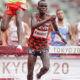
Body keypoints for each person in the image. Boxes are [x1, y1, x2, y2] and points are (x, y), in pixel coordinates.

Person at [27, 0, 67, 80]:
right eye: (41, 6)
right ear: (38, 7)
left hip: (43, 46)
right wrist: (48, 20)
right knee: (30, 72)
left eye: (45, 6)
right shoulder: (34, 15)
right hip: (33, 45)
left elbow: (56, 29)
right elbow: (34, 25)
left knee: (46, 67)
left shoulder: (50, 18)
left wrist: (62, 37)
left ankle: (39, 75)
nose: (43, 8)